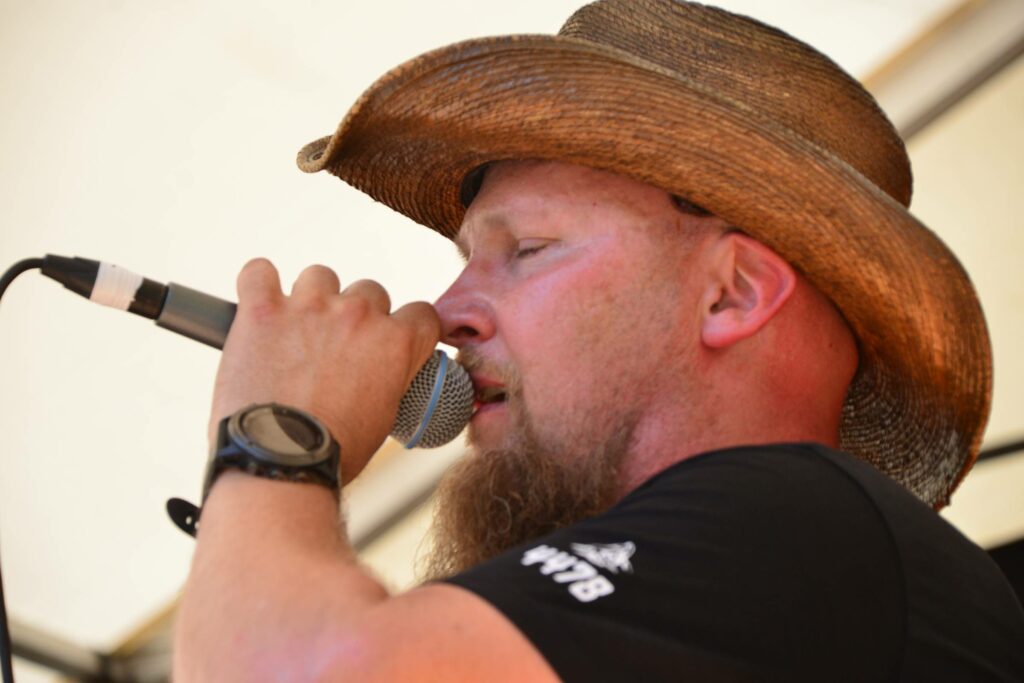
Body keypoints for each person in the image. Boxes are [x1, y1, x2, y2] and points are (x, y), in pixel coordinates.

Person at [173, 1, 1024, 680]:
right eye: (468, 260)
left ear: (732, 292)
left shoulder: (805, 527)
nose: (447, 310)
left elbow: (302, 670)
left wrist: (277, 429)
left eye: (527, 249)